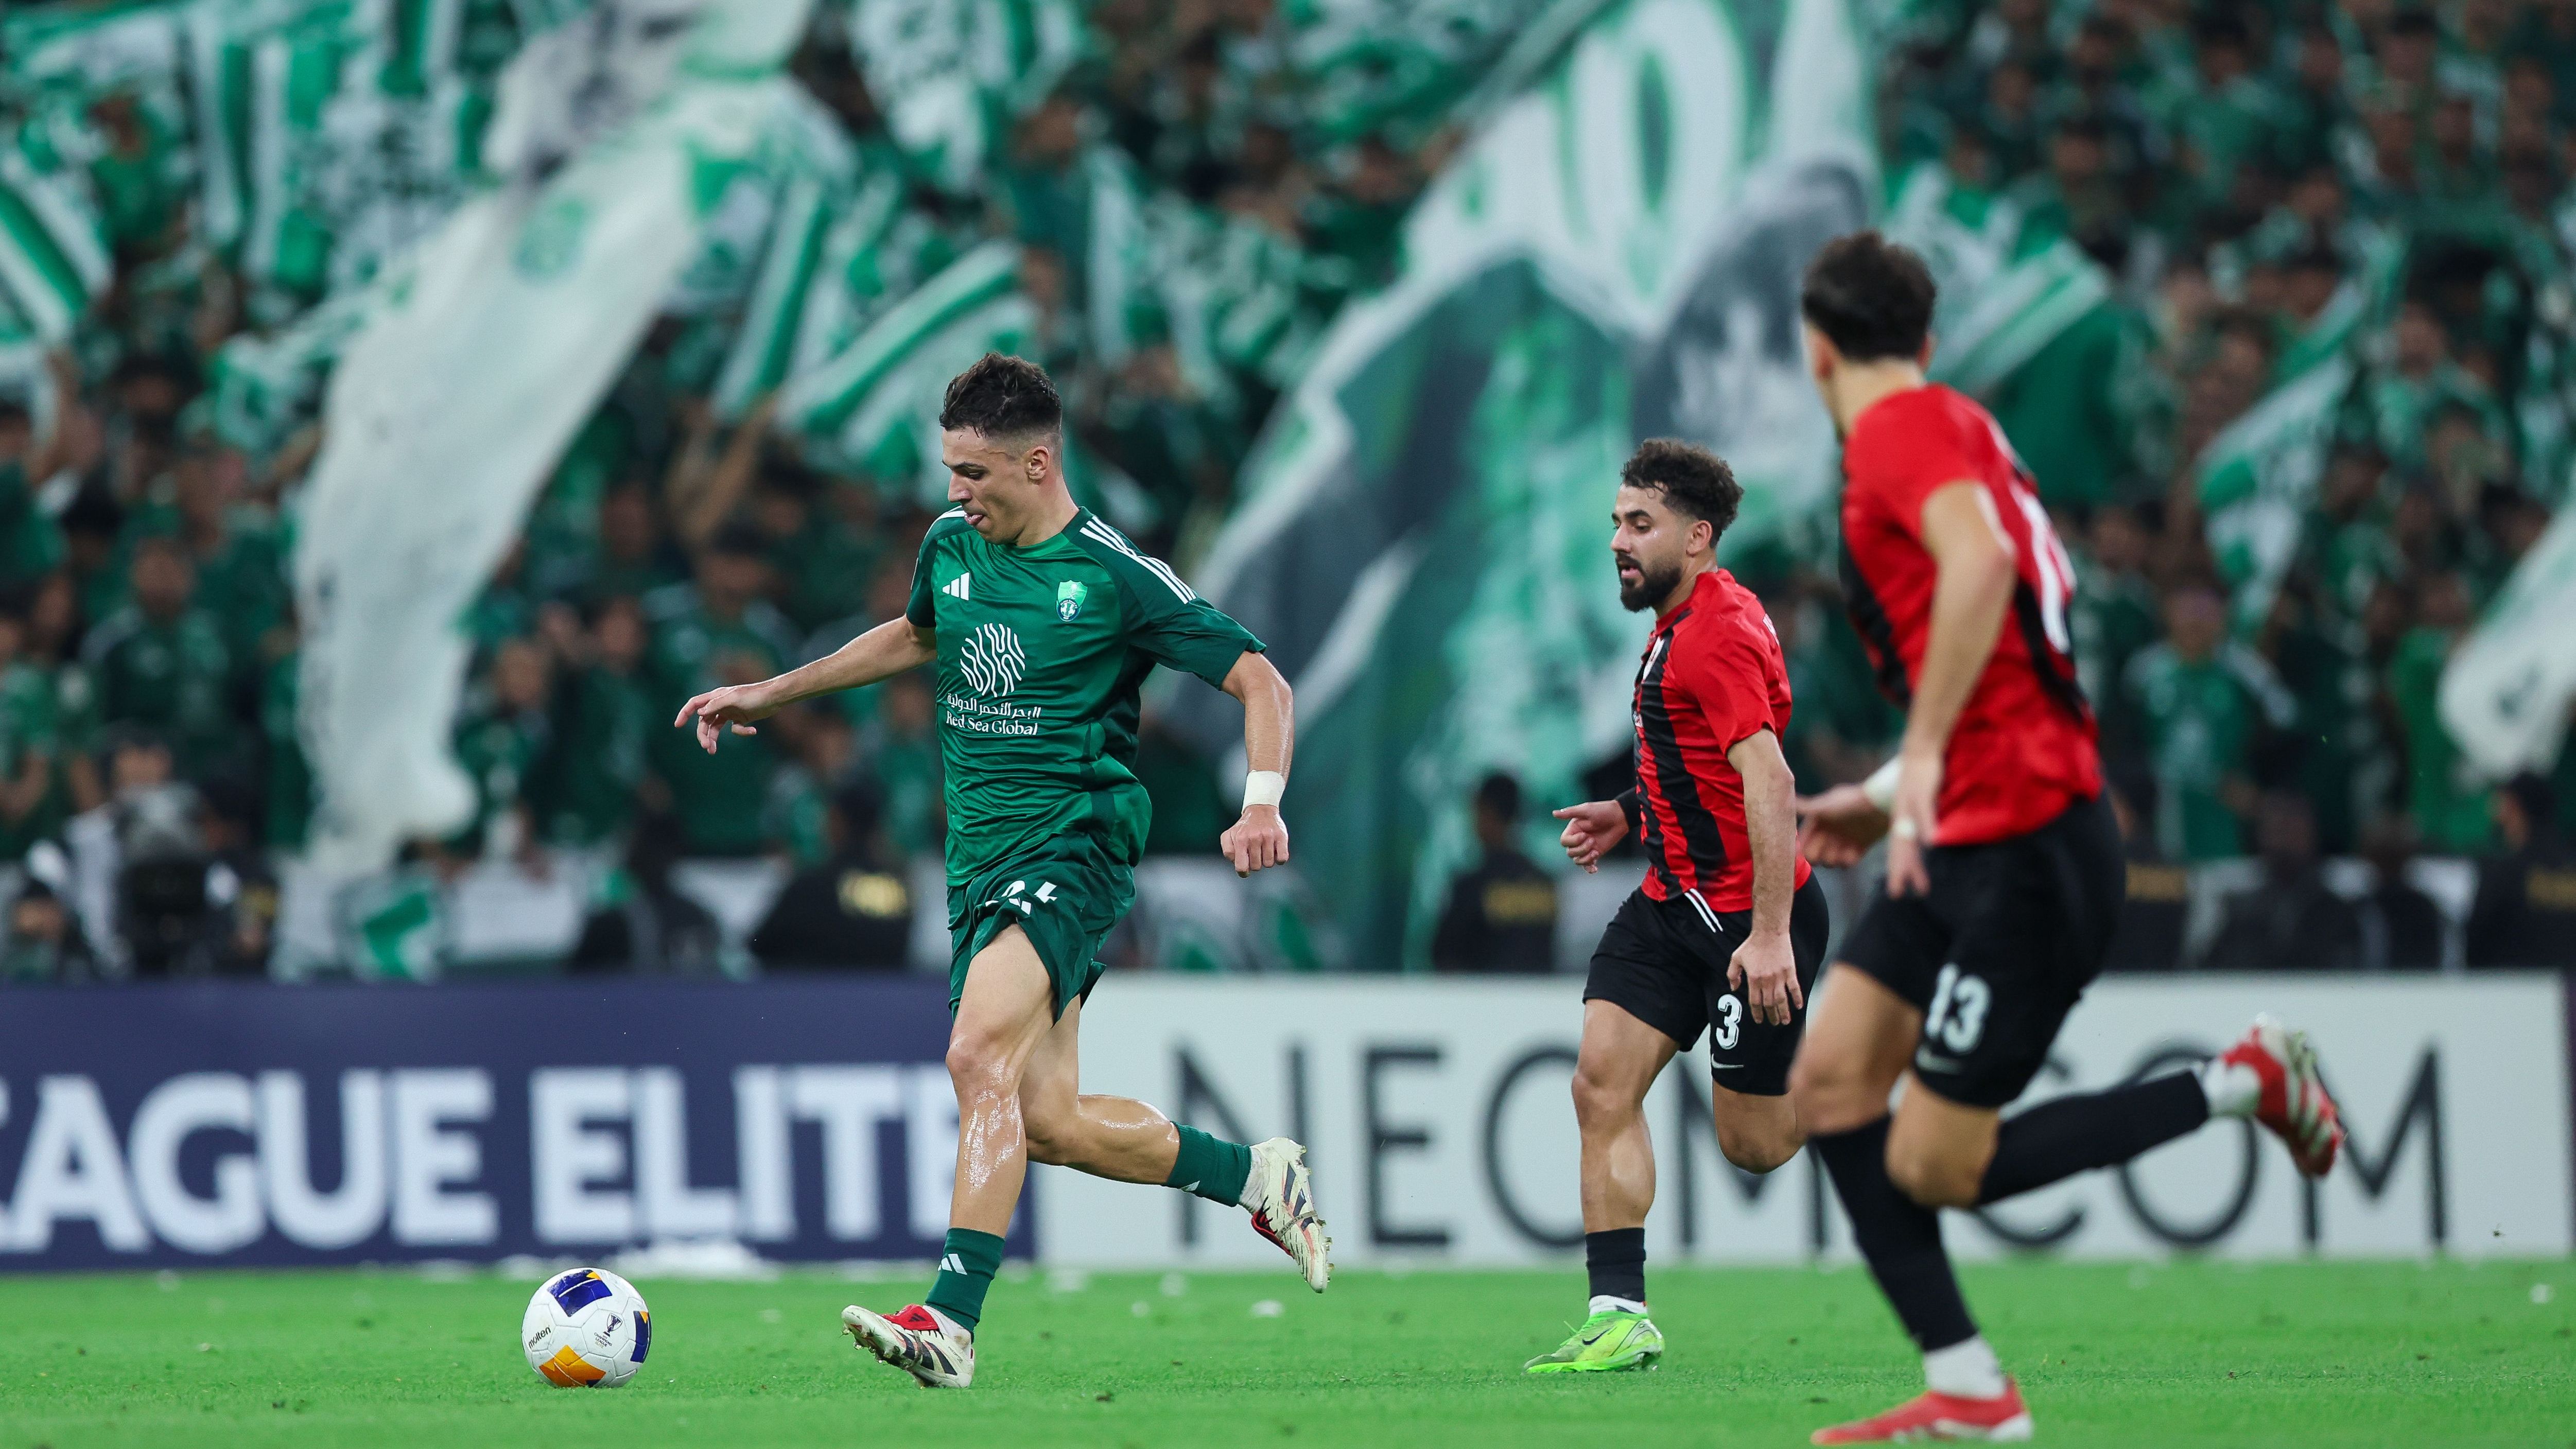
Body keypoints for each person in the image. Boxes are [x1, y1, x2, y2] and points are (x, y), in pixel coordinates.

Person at [1785, 233, 2347, 1445]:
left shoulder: (1894, 432)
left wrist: (1916, 758)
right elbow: (2007, 662)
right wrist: (1888, 791)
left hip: (2026, 849)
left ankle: (2237, 1082)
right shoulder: (1956, 427)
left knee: (1935, 1166)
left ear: (1814, 347)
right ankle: (1969, 1390)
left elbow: (1983, 569)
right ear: (1926, 341)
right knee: (1829, 1086)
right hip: (1964, 829)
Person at [674, 353, 1327, 1389]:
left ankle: (950, 1319)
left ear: (1037, 462)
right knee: (1050, 1121)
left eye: (974, 474)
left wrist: (1260, 802)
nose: (955, 494)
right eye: (948, 471)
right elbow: (915, 634)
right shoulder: (951, 547)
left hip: (1074, 849)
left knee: (977, 1055)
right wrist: (775, 692)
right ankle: (1257, 1176)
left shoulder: (1114, 574)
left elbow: (1260, 677)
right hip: (979, 861)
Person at [1525, 440, 1830, 1374]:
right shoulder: (1685, 619)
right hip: (1668, 903)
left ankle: (1851, 1077)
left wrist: (1770, 937)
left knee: (1754, 1146)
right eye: (1616, 521)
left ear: (1695, 537)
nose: (1617, 540)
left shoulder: (1714, 633)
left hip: (1748, 927)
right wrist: (1629, 811)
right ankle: (1618, 1315)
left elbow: (1768, 782)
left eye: (1638, 524)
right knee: (1598, 1085)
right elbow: (1697, 754)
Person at [1430, 772, 1558, 974]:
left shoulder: (1471, 887)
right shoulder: (1545, 883)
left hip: (1483, 1000)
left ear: (1487, 813)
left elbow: (1445, 960)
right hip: (1539, 1000)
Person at [2465, 773, 2576, 968]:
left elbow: (2476, 946)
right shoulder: (2570, 867)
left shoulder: (2504, 874)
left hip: (2514, 989)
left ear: (2514, 808)